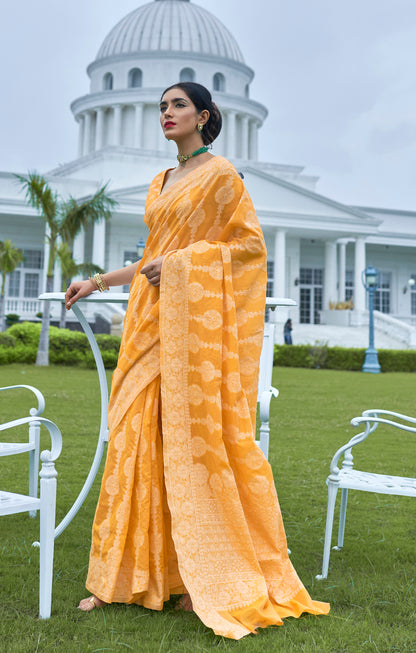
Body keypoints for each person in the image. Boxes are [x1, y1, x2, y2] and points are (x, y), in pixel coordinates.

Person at [65, 82, 329, 640]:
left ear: (204, 116)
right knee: (136, 438)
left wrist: (186, 264)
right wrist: (94, 281)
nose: (166, 113)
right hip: (149, 323)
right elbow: (150, 259)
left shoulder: (222, 175)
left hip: (194, 331)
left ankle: (200, 574)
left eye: (178, 105)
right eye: (162, 106)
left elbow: (248, 248)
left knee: (196, 440)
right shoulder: (162, 181)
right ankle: (122, 577)